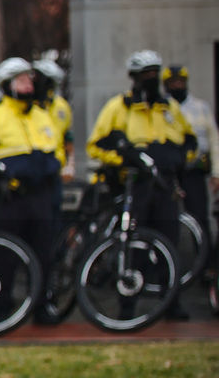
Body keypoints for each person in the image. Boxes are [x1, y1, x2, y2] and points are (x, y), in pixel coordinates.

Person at [87, 50, 195, 319]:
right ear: (133, 77)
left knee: (169, 245)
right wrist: (123, 162)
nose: (151, 78)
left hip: (165, 186)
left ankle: (171, 303)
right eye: (145, 74)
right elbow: (96, 145)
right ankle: (127, 306)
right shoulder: (118, 107)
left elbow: (190, 142)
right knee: (133, 246)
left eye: (155, 73)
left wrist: (179, 160)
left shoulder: (169, 108)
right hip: (135, 186)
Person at [0, 57, 64, 323]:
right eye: (22, 80)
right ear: (7, 85)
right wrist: (1, 176)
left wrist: (52, 165)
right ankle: (2, 310)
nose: (28, 85)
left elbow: (57, 147)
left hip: (41, 195)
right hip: (9, 198)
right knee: (5, 257)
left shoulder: (42, 114)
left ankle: (41, 306)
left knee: (43, 253)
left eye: (29, 80)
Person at [163, 63, 218, 243]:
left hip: (194, 171)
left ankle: (206, 265)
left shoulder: (201, 107)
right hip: (169, 172)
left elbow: (214, 141)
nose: (177, 86)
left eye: (180, 82)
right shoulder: (161, 109)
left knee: (199, 217)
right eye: (173, 83)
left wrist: (217, 173)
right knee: (167, 219)